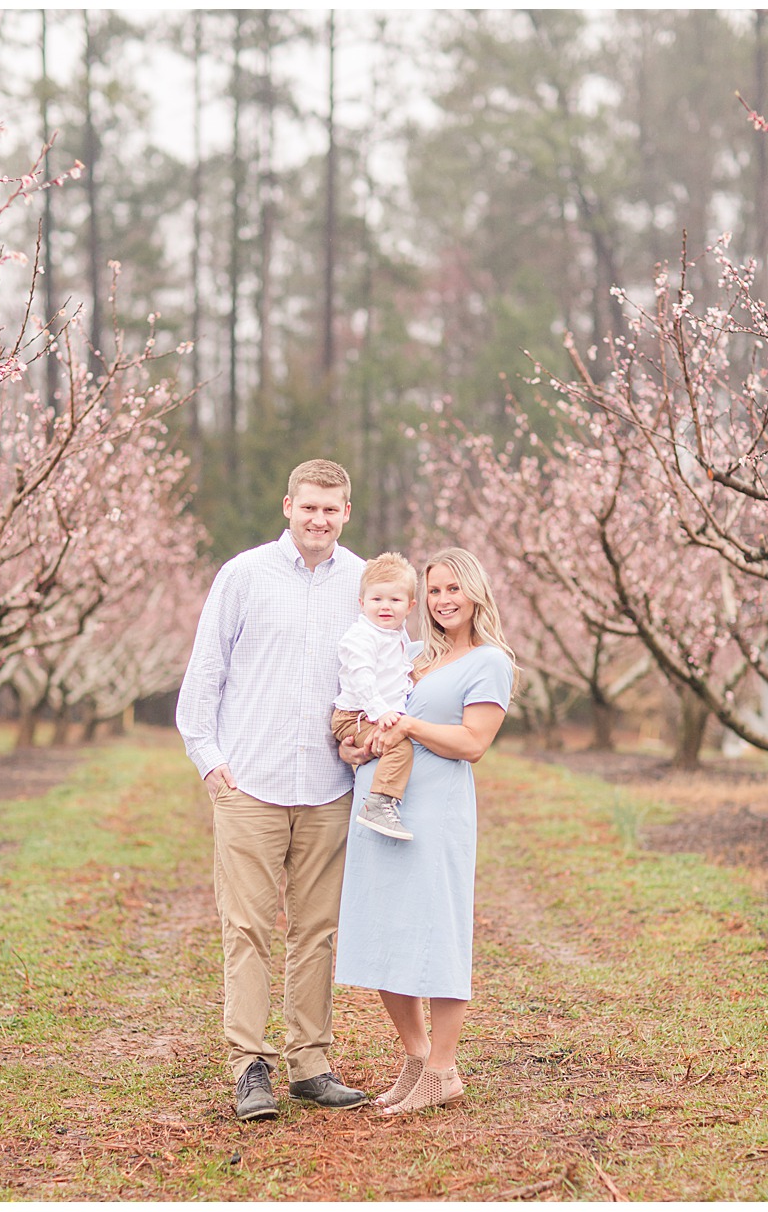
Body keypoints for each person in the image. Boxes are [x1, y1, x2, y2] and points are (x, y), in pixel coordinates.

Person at [176, 458, 370, 1121]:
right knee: (248, 926)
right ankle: (249, 1064)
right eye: (308, 506)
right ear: (288, 505)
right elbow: (205, 676)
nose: (319, 518)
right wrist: (209, 761)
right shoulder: (244, 575)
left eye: (331, 508)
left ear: (347, 512)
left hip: (328, 786)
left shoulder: (364, 582)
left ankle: (311, 1062)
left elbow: (383, 672)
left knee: (317, 928)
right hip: (250, 784)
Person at [334, 547, 515, 1113]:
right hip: (378, 807)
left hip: (436, 812)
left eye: (452, 589)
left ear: (475, 592)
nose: (442, 601)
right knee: (382, 929)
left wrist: (409, 724)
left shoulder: (489, 662)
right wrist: (354, 744)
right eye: (434, 591)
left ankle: (443, 1068)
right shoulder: (410, 653)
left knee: (437, 931)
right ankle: (416, 1059)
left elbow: (473, 743)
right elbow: (369, 719)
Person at [330, 552, 419, 842]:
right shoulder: (361, 636)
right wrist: (380, 712)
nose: (385, 607)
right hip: (355, 715)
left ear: (410, 606)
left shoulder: (396, 636)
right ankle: (378, 804)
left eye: (395, 600)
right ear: (362, 603)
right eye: (377, 599)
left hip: (370, 712)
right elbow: (361, 676)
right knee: (398, 746)